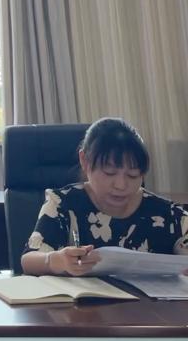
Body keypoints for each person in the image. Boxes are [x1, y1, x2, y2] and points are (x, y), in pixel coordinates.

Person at [21, 117, 188, 276]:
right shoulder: (62, 203)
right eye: (109, 173)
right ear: (85, 161)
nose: (121, 185)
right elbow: (28, 261)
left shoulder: (169, 214)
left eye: (132, 175)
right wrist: (56, 260)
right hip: (84, 297)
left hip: (147, 298)